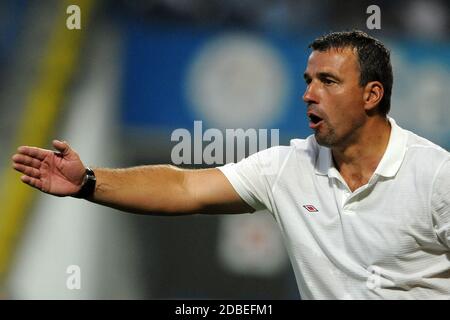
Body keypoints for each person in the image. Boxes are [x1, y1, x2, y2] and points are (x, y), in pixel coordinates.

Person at [11, 30, 449, 299]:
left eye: (328, 82)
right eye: (308, 81)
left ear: (372, 95)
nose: (309, 94)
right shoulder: (287, 167)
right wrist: (88, 181)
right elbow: (184, 188)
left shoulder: (434, 176)